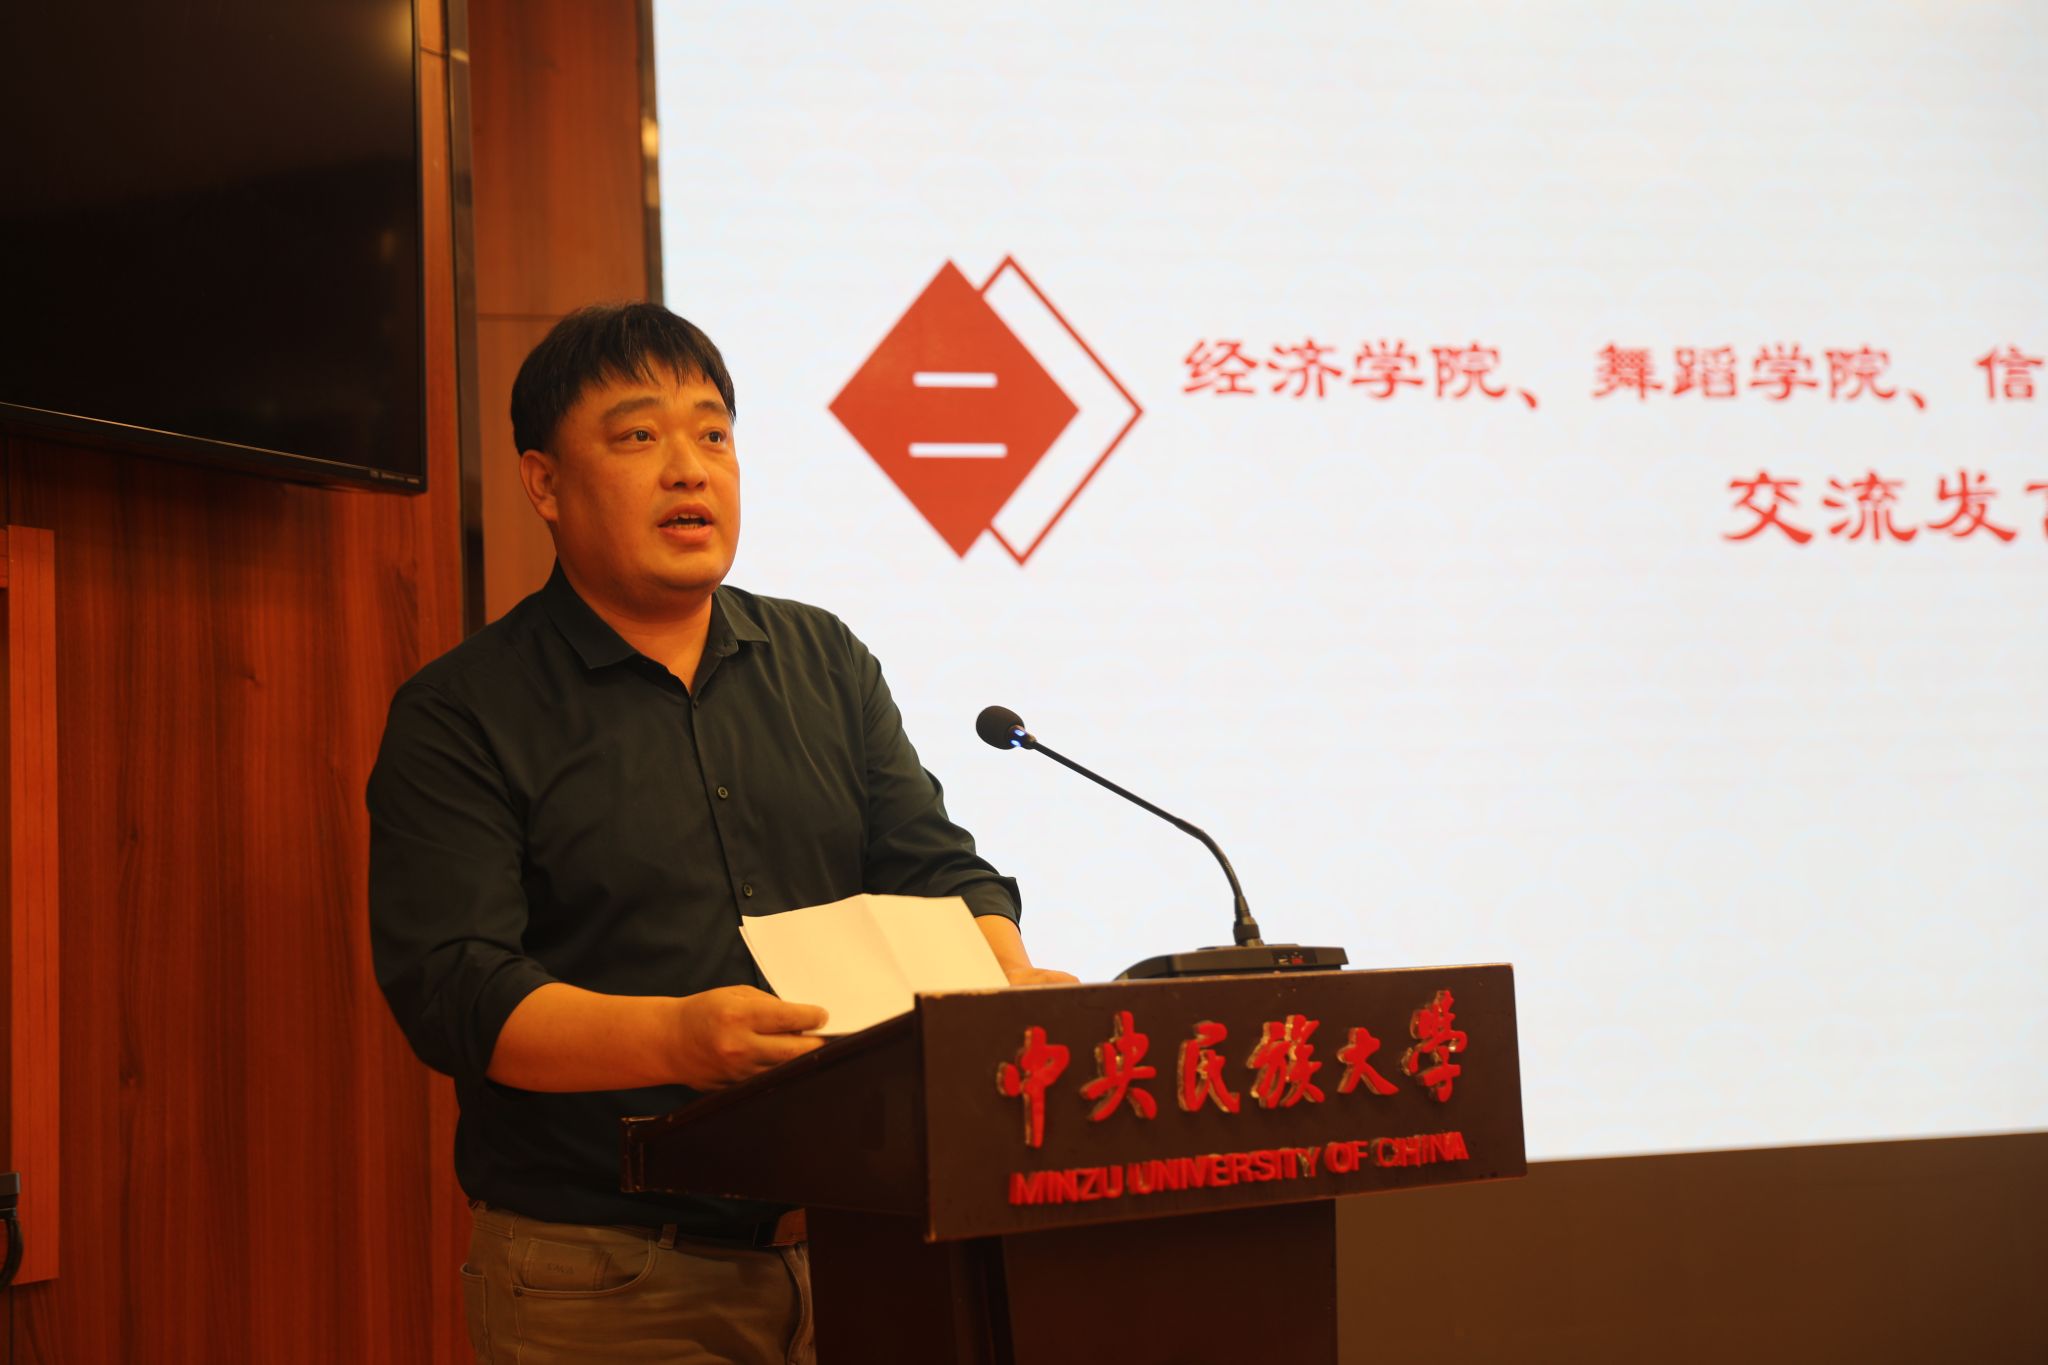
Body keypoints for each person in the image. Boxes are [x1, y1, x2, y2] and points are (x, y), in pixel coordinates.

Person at [368, 301, 1073, 1364]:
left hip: (862, 1249)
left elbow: (933, 868)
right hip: (609, 1277)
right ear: (544, 483)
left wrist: (1001, 989)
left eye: (712, 433)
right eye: (638, 436)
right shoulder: (462, 712)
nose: (689, 469)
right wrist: (675, 1042)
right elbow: (457, 992)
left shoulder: (824, 660)